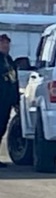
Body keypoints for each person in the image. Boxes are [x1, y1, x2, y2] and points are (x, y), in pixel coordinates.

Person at [0, 34, 19, 168]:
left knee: (1, 129)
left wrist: (16, 100)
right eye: (3, 44)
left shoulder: (9, 60)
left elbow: (14, 81)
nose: (6, 46)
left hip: (6, 102)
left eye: (7, 44)